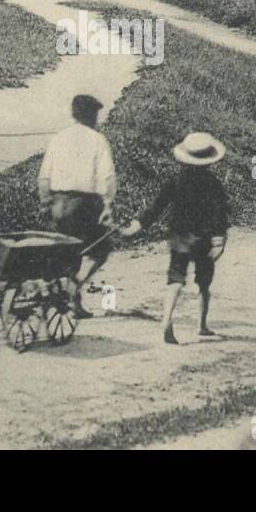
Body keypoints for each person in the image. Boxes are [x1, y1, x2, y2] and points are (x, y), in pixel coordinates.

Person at [123, 132, 230, 344]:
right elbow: (221, 213)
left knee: (175, 279)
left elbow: (156, 206)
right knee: (204, 283)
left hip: (179, 235)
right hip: (203, 237)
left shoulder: (176, 181)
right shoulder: (213, 183)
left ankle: (166, 321)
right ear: (209, 160)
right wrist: (220, 238)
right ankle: (202, 326)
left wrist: (138, 225)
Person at [37, 94, 117, 318]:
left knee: (65, 251)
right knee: (99, 250)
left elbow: (44, 177)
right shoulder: (98, 140)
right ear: (91, 115)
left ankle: (70, 300)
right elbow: (107, 178)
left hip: (57, 203)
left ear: (74, 114)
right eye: (96, 115)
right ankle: (75, 289)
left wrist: (45, 203)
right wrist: (108, 204)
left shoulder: (58, 138)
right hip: (84, 205)